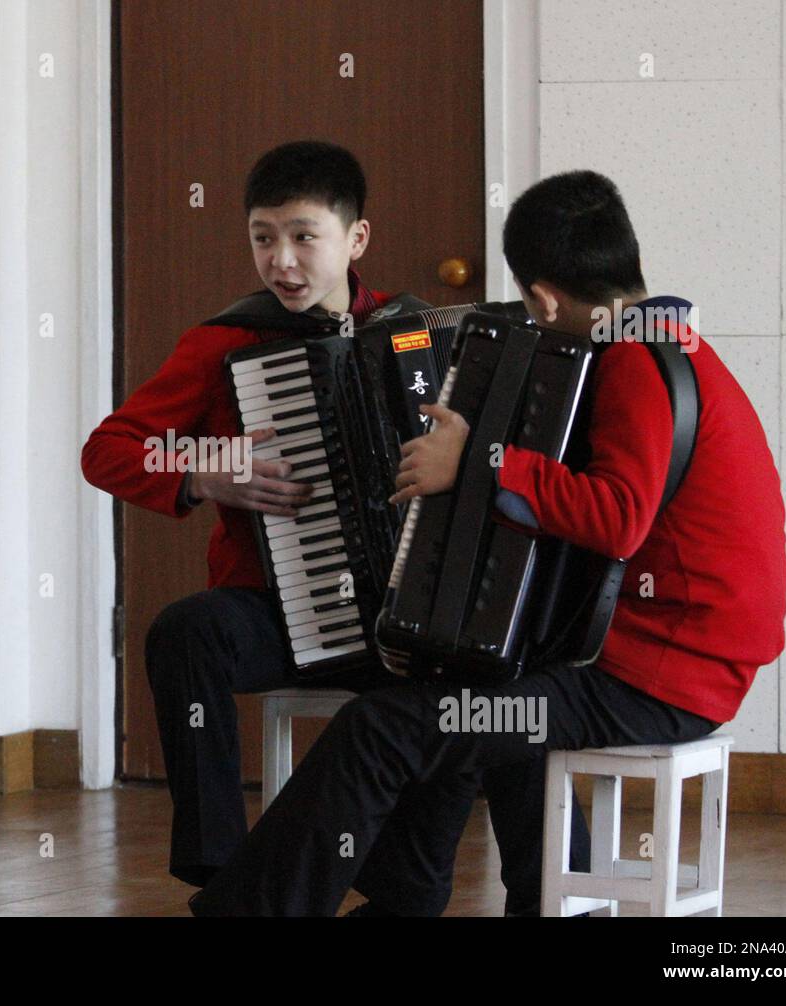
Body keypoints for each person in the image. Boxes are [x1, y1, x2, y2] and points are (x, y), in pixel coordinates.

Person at [189, 169, 786, 916]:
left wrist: (477, 462)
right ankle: (422, 897)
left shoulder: (634, 361)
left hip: (654, 681)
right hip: (674, 665)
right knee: (467, 701)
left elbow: (617, 517)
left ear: (541, 298)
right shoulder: (669, 340)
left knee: (383, 726)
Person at [82, 140, 587, 914]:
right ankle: (223, 870)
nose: (281, 261)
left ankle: (442, 890)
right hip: (279, 610)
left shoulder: (417, 330)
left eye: (302, 236)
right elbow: (108, 450)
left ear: (355, 240)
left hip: (406, 618)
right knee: (185, 631)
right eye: (262, 237)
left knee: (485, 682)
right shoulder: (227, 343)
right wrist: (207, 468)